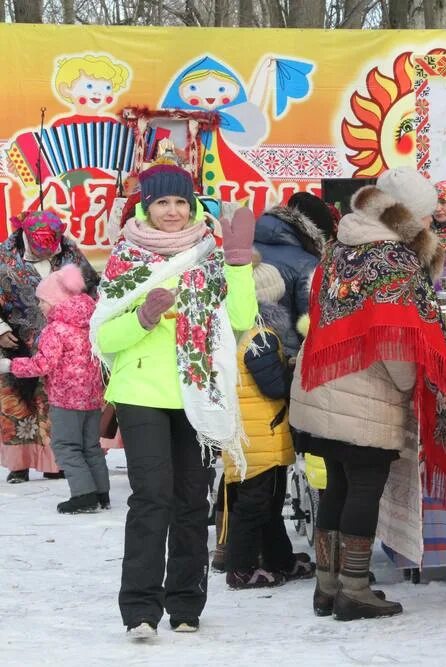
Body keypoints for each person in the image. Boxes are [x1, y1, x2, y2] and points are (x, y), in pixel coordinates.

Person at [90, 161, 258, 638]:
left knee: (191, 500)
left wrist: (240, 260)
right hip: (140, 392)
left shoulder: (210, 256)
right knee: (152, 498)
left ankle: (186, 603)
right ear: (146, 206)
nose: (172, 210)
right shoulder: (125, 260)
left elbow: (242, 316)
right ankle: (140, 609)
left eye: (180, 202)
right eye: (162, 202)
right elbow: (105, 336)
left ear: (192, 206)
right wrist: (141, 317)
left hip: (197, 389)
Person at [290, 166, 446, 621]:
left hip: (321, 385)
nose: (429, 225)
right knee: (363, 487)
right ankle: (355, 589)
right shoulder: (392, 260)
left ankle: (327, 588)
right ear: (406, 214)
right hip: (365, 392)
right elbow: (396, 339)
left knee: (338, 487)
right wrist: (413, 383)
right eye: (426, 217)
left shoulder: (341, 244)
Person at [224, 258, 315, 588]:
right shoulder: (259, 337)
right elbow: (274, 386)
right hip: (262, 432)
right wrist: (294, 370)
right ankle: (241, 568)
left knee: (269, 504)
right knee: (256, 505)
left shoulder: (235, 332)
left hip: (250, 433)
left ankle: (279, 559)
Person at [0, 210, 99, 484]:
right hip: (16, 341)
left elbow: (92, 289)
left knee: (54, 403)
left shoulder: (70, 253)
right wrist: (1, 330)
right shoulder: (4, 257)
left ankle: (55, 462)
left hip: (63, 342)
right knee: (18, 406)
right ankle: (19, 465)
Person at [0, 264, 108, 512]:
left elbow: (42, 364)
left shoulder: (55, 330)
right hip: (92, 399)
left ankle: (84, 495)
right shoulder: (90, 323)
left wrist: (10, 365)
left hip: (66, 400)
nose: (39, 306)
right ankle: (102, 493)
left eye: (42, 301)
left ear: (57, 300)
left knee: (66, 446)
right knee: (90, 446)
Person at [252, 195, 327, 355]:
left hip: (242, 348)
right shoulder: (307, 262)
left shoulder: (245, 247)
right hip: (283, 353)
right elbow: (309, 321)